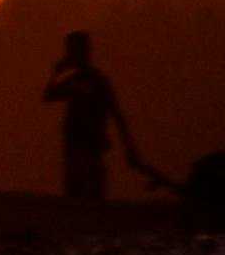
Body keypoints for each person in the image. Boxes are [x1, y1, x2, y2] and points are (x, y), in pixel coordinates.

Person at [40, 29, 150, 201]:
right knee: (74, 198)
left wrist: (130, 148)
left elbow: (116, 114)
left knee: (92, 198)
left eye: (73, 50)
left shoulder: (98, 81)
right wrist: (56, 74)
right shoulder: (72, 80)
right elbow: (48, 96)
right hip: (73, 148)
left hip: (91, 148)